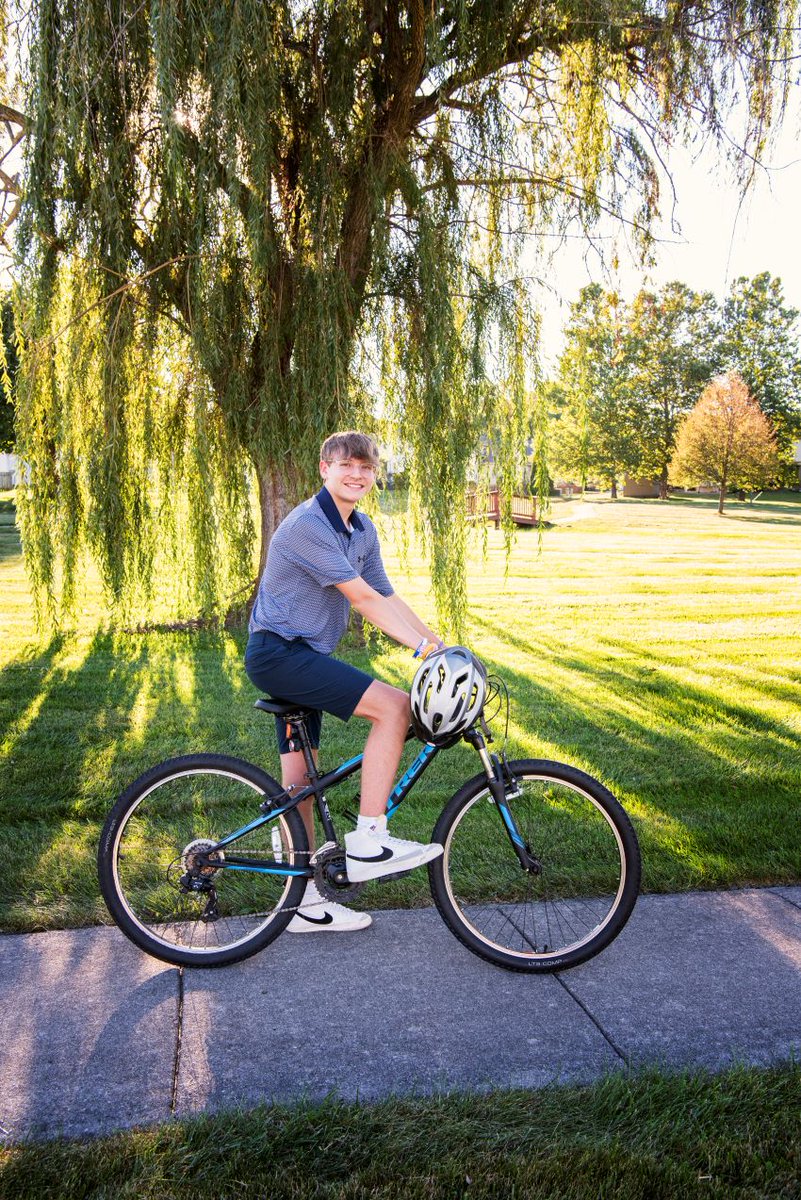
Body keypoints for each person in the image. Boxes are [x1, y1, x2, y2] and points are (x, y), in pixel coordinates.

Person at [245, 430, 444, 934]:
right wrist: (417, 649)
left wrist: (438, 643)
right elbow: (361, 600)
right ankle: (370, 837)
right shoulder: (308, 525)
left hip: (299, 654)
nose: (357, 474)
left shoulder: (362, 530)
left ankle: (303, 905)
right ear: (324, 469)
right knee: (395, 708)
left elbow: (387, 595)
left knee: (300, 789)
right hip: (279, 653)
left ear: (374, 475)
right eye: (346, 465)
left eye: (366, 467)